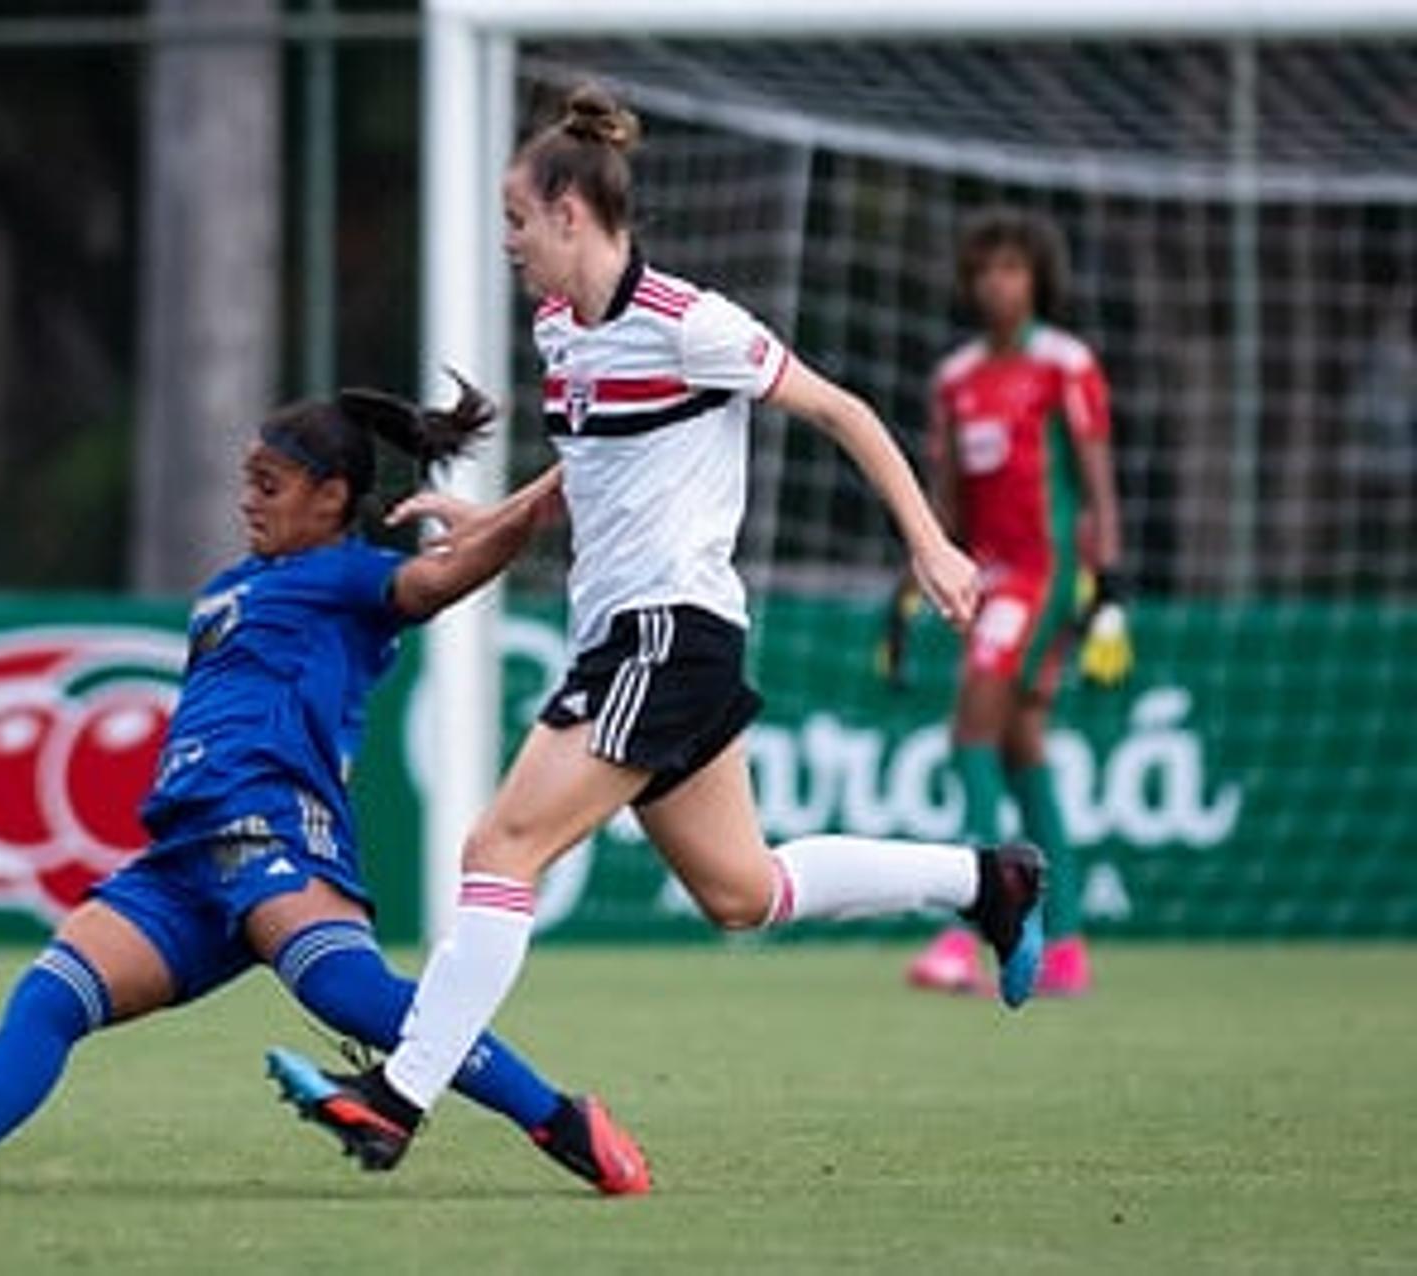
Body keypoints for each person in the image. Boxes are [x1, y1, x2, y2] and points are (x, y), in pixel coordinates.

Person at [266, 85, 1045, 1177]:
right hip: (632, 640)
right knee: (744, 892)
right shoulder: (559, 333)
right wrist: (482, 520)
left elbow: (846, 412)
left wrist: (930, 543)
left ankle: (397, 1096)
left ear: (572, 214)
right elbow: (581, 477)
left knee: (500, 849)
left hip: (669, 632)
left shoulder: (693, 324)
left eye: (517, 220)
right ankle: (986, 882)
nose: (508, 243)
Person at [0, 377, 651, 1196]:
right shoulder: (230, 588)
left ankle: (562, 1120)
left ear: (333, 497)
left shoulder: (351, 578)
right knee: (51, 996)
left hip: (273, 824)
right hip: (182, 854)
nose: (250, 499)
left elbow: (441, 576)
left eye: (270, 484)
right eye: (249, 481)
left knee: (344, 992)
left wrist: (555, 488)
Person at [897, 209, 1128, 1000]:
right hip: (987, 579)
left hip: (1046, 574)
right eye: (988, 270)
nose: (1001, 283)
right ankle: (1063, 943)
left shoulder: (1065, 364)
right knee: (1023, 741)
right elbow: (948, 501)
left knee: (972, 724)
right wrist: (910, 582)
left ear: (1038, 280)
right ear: (970, 281)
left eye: (1015, 269)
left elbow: (1095, 482)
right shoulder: (956, 379)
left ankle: (977, 926)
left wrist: (1109, 588)